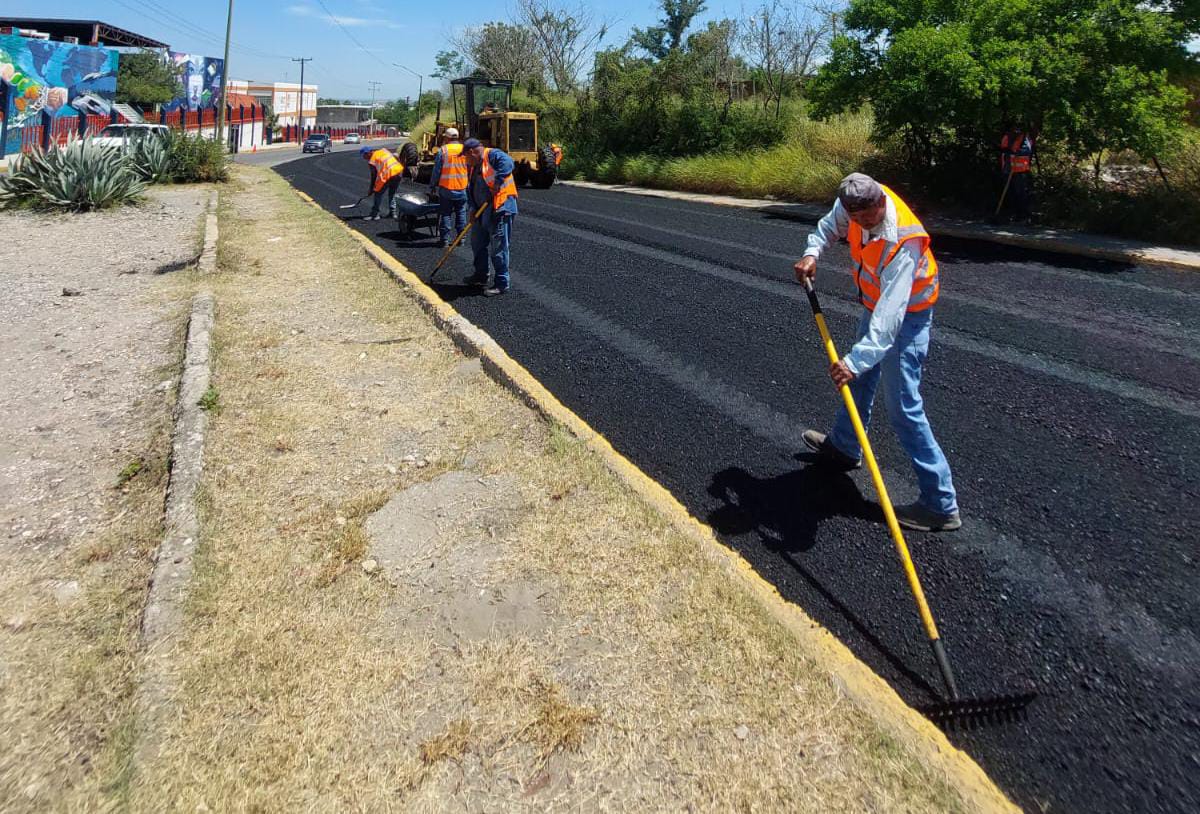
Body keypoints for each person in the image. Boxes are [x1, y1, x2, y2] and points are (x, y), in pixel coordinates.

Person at [794, 173, 961, 532]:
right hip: (875, 303)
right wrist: (812, 253)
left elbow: (890, 319)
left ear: (881, 200)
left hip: (908, 315)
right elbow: (827, 228)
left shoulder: (903, 241)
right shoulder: (850, 203)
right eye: (860, 218)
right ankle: (845, 447)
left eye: (873, 214)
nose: (868, 221)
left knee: (903, 406)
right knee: (859, 381)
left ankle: (940, 503)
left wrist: (854, 361)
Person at [462, 138, 518, 297]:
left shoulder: (493, 155)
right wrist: (472, 208)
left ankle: (501, 283)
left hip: (500, 208)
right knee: (477, 243)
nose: (465, 160)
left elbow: (509, 163)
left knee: (498, 248)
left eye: (466, 156)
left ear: (472, 152)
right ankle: (480, 275)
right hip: (481, 210)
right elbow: (471, 188)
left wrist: (497, 183)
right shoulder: (472, 167)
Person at [427, 127, 468, 248]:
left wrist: (433, 185)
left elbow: (437, 170)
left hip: (447, 188)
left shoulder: (443, 150)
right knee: (461, 213)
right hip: (462, 187)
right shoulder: (464, 149)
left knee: (446, 213)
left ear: (447, 138)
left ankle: (444, 240)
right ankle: (462, 239)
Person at [998, 124, 1036, 222]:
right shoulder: (1008, 136)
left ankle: (1023, 215)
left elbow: (1027, 150)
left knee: (1021, 193)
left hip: (1020, 170)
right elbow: (1003, 147)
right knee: (1010, 193)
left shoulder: (1024, 138)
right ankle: (1012, 213)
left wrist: (1018, 151)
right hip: (1008, 169)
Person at [361, 145, 403, 221]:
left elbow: (374, 176)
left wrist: (372, 189)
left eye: (364, 155)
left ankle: (375, 214)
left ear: (369, 153)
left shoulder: (372, 160)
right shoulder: (383, 150)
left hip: (389, 174)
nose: (364, 157)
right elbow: (396, 155)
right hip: (398, 173)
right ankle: (393, 213)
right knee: (392, 194)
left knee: (378, 194)